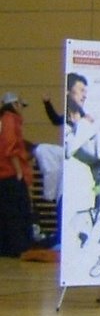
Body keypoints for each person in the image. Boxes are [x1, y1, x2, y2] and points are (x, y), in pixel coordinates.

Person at [0, 93, 32, 256]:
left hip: (4, 174)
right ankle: (18, 247)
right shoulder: (10, 120)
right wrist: (19, 171)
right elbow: (10, 147)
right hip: (11, 174)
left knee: (7, 212)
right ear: (13, 105)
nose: (21, 109)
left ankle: (7, 247)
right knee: (17, 213)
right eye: (20, 105)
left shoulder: (4, 119)